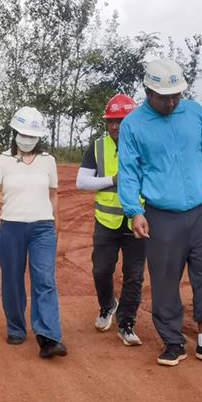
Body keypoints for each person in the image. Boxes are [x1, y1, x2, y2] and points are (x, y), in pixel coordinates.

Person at [118, 58, 202, 367]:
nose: (171, 102)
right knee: (165, 279)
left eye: (176, 96)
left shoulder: (195, 113)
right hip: (161, 214)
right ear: (148, 92)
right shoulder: (133, 125)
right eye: (163, 97)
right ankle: (172, 342)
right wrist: (134, 211)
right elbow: (129, 171)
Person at [0, 106, 66, 359]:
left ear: (39, 137)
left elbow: (53, 194)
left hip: (43, 228)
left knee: (44, 279)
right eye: (23, 134)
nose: (27, 139)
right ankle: (16, 327)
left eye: (32, 135)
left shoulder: (48, 161)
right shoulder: (1, 160)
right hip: (11, 227)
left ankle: (48, 336)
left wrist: (56, 223)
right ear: (14, 133)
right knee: (12, 279)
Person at [75, 94, 146, 346]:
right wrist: (112, 180)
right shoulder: (97, 147)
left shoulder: (146, 146)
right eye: (110, 121)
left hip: (138, 222)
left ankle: (126, 323)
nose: (115, 126)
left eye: (121, 121)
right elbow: (82, 181)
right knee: (101, 270)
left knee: (134, 275)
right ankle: (107, 305)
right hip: (106, 222)